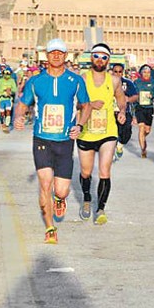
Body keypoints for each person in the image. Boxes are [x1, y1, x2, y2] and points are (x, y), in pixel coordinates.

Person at [14, 38, 91, 244]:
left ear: (65, 56)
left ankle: (60, 199)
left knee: (61, 190)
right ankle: (50, 227)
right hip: (42, 139)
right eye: (52, 52)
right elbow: (23, 104)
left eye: (60, 53)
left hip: (65, 141)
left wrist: (80, 126)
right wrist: (19, 117)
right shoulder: (36, 81)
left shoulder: (76, 81)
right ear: (46, 56)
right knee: (45, 184)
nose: (56, 56)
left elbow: (86, 106)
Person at [77, 43, 127, 224]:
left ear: (108, 60)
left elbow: (121, 99)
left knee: (105, 171)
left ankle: (101, 208)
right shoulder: (82, 79)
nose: (100, 60)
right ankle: (87, 198)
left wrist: (122, 111)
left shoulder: (114, 80)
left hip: (108, 131)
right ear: (91, 58)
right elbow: (75, 104)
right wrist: (88, 104)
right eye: (96, 56)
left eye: (104, 57)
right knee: (85, 171)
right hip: (86, 131)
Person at [133, 64, 154, 158]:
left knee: (147, 130)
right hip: (139, 107)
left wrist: (152, 95)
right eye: (144, 72)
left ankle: (143, 138)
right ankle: (143, 149)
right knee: (141, 128)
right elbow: (132, 94)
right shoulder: (136, 82)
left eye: (148, 72)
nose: (146, 74)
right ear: (141, 73)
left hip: (149, 108)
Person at [110, 63, 138, 161]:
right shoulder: (107, 82)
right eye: (115, 71)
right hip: (111, 112)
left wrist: (128, 99)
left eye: (119, 72)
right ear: (112, 72)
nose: (117, 74)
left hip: (125, 112)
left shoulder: (128, 83)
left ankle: (120, 145)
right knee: (111, 134)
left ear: (123, 72)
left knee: (125, 133)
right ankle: (111, 152)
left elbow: (135, 96)